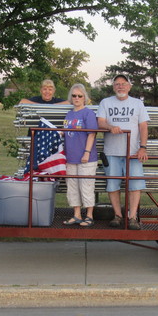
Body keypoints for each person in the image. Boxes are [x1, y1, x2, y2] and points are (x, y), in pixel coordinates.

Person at [97, 74, 149, 230]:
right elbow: (100, 122)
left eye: (123, 83)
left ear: (129, 86)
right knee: (113, 185)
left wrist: (143, 147)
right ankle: (118, 215)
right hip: (112, 151)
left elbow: (143, 126)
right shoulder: (106, 103)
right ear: (113, 87)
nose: (120, 86)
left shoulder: (137, 103)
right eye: (117, 84)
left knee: (135, 185)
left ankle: (132, 217)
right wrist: (110, 127)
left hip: (132, 153)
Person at [62, 84, 98, 227]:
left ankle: (89, 215)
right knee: (72, 187)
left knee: (86, 186)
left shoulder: (88, 113)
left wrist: (87, 152)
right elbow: (67, 131)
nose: (76, 98)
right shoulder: (69, 114)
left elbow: (92, 134)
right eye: (74, 95)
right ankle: (76, 214)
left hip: (86, 158)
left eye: (79, 96)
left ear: (85, 98)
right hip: (70, 157)